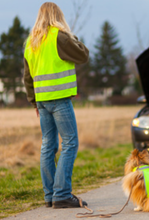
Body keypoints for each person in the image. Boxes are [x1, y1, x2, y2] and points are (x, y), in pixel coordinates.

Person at [23, 2, 89, 209]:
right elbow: (83, 54)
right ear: (57, 16)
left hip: (42, 102)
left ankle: (50, 195)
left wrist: (34, 102)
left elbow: (27, 77)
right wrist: (69, 34)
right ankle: (61, 194)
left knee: (48, 146)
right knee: (70, 143)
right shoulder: (59, 36)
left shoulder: (31, 42)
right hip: (59, 99)